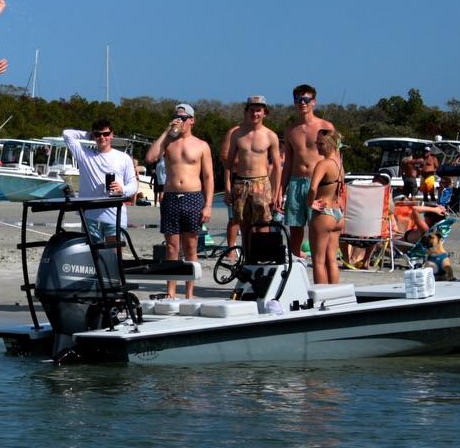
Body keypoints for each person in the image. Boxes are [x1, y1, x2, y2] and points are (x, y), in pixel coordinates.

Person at [144, 103, 213, 299]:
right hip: (171, 196)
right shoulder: (169, 142)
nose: (180, 121)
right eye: (177, 117)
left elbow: (208, 177)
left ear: (191, 120)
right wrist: (167, 131)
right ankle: (171, 291)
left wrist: (208, 205)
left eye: (183, 118)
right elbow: (150, 157)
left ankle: (190, 292)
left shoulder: (201, 145)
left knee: (190, 247)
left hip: (192, 196)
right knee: (172, 248)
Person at [278, 84, 338, 256]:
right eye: (298, 100)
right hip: (296, 182)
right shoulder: (290, 130)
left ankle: (322, 265)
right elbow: (288, 163)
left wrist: (340, 191)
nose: (302, 103)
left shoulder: (326, 126)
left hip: (319, 184)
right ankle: (296, 262)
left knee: (318, 226)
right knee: (295, 228)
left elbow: (336, 159)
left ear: (314, 102)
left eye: (306, 99)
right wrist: (280, 191)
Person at [220, 95, 282, 250]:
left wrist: (276, 193)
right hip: (241, 182)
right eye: (252, 110)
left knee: (262, 224)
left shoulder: (270, 135)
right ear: (246, 111)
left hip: (261, 183)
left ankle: (263, 257)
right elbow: (228, 164)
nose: (255, 114)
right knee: (244, 224)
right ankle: (248, 259)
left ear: (264, 113)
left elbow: (277, 166)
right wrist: (228, 188)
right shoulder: (237, 134)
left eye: (259, 111)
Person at [63, 118, 137, 244]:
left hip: (115, 215)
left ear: (112, 134)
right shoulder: (84, 155)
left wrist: (122, 189)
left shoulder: (123, 158)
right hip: (90, 216)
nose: (102, 137)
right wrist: (89, 135)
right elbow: (67, 134)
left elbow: (133, 184)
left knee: (114, 258)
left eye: (106, 134)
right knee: (93, 259)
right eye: (98, 134)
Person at [306, 129, 345, 285]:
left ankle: (321, 297)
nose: (317, 147)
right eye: (316, 143)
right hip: (337, 215)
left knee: (318, 261)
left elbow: (313, 188)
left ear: (330, 144)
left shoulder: (323, 164)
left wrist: (310, 203)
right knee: (332, 260)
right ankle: (334, 294)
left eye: (321, 143)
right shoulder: (339, 165)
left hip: (324, 214)